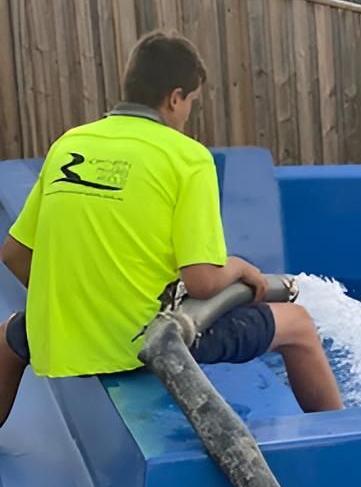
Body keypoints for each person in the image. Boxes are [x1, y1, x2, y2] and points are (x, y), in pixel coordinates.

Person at [0, 30, 342, 428]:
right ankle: (346, 443)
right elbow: (202, 283)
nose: (186, 115)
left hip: (60, 340)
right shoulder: (186, 158)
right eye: (190, 103)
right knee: (297, 324)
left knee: (9, 336)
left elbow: (14, 253)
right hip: (146, 345)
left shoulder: (69, 144)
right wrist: (238, 267)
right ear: (175, 97)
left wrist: (70, 308)